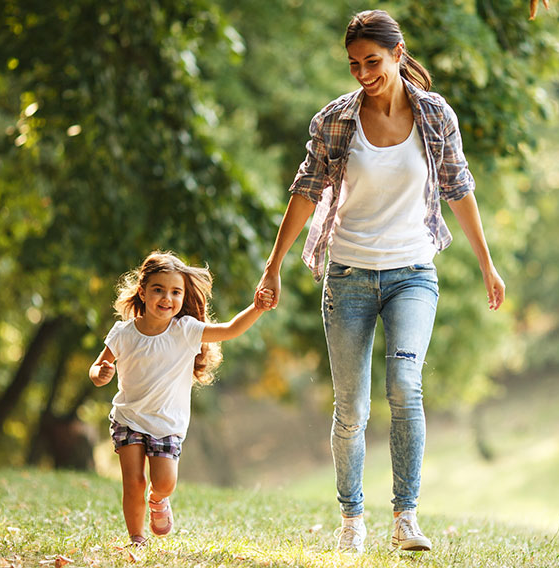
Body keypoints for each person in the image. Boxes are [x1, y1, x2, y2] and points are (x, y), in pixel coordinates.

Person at [254, 9, 506, 554]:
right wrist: (274, 265)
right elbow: (306, 191)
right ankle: (351, 519)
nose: (364, 73)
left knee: (405, 386)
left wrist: (487, 263)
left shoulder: (435, 114)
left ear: (397, 53)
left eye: (373, 61)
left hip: (413, 273)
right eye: (353, 65)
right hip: (346, 275)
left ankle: (406, 517)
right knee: (352, 410)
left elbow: (458, 187)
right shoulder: (335, 121)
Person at [90, 251, 271, 547]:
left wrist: (257, 307)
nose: (167, 298)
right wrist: (101, 373)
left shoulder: (185, 331)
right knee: (133, 482)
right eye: (158, 289)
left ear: (184, 295)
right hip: (128, 418)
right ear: (143, 292)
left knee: (164, 482)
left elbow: (230, 329)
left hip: (167, 423)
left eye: (176, 292)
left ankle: (159, 500)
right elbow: (97, 368)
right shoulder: (123, 333)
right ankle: (136, 538)